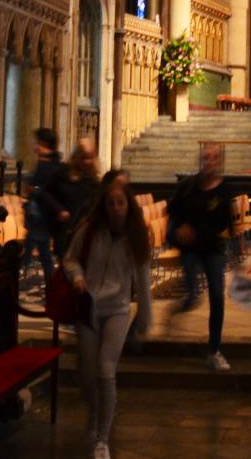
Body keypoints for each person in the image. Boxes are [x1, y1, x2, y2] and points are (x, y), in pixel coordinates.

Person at [64, 180, 152, 459]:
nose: (115, 208)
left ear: (128, 206)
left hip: (117, 309)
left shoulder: (136, 236)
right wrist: (78, 278)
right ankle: (94, 411)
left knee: (105, 369)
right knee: (88, 376)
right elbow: (70, 259)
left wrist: (144, 319)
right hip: (89, 306)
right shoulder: (90, 231)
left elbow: (143, 279)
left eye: (120, 203)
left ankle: (103, 439)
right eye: (111, 203)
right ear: (105, 206)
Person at [169, 145, 234, 370]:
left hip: (213, 250)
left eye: (214, 158)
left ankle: (214, 350)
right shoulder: (188, 186)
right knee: (193, 293)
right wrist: (178, 229)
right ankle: (178, 308)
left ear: (219, 162)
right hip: (190, 249)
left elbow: (228, 223)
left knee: (217, 297)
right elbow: (173, 210)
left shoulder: (224, 190)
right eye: (206, 157)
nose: (209, 162)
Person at [43, 140, 101, 264]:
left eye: (91, 157)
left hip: (84, 233)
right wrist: (59, 210)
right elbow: (45, 193)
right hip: (65, 231)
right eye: (85, 157)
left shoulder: (93, 180)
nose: (88, 161)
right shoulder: (64, 172)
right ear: (77, 156)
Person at [24, 127, 64, 287]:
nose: (34, 145)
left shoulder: (49, 166)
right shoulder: (48, 163)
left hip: (41, 217)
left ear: (43, 144)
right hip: (39, 217)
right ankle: (51, 285)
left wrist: (34, 190)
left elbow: (46, 190)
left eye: (37, 142)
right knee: (44, 255)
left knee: (35, 254)